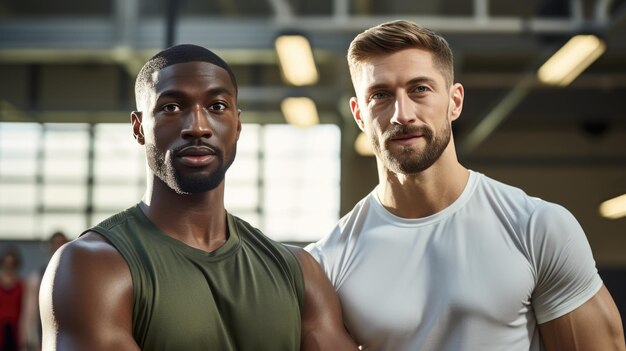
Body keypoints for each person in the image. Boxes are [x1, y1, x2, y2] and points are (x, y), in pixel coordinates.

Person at [305, 20, 626, 350]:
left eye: (420, 89)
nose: (402, 114)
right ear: (359, 115)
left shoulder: (536, 227)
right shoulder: (329, 261)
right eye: (381, 95)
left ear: (455, 101)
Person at [39, 44, 357, 351]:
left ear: (237, 124)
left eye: (217, 106)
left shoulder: (298, 271)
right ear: (138, 128)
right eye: (171, 107)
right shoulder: (92, 266)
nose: (198, 127)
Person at [21, 231, 69, 351]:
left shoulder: (74, 277)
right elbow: (30, 313)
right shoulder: (36, 278)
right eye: (56, 243)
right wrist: (33, 340)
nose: (58, 247)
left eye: (61, 244)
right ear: (50, 247)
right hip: (45, 337)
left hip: (68, 337)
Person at [0, 246, 25, 351]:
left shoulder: (21, 285)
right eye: (7, 263)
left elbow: (24, 308)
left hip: (15, 328)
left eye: (11, 263)